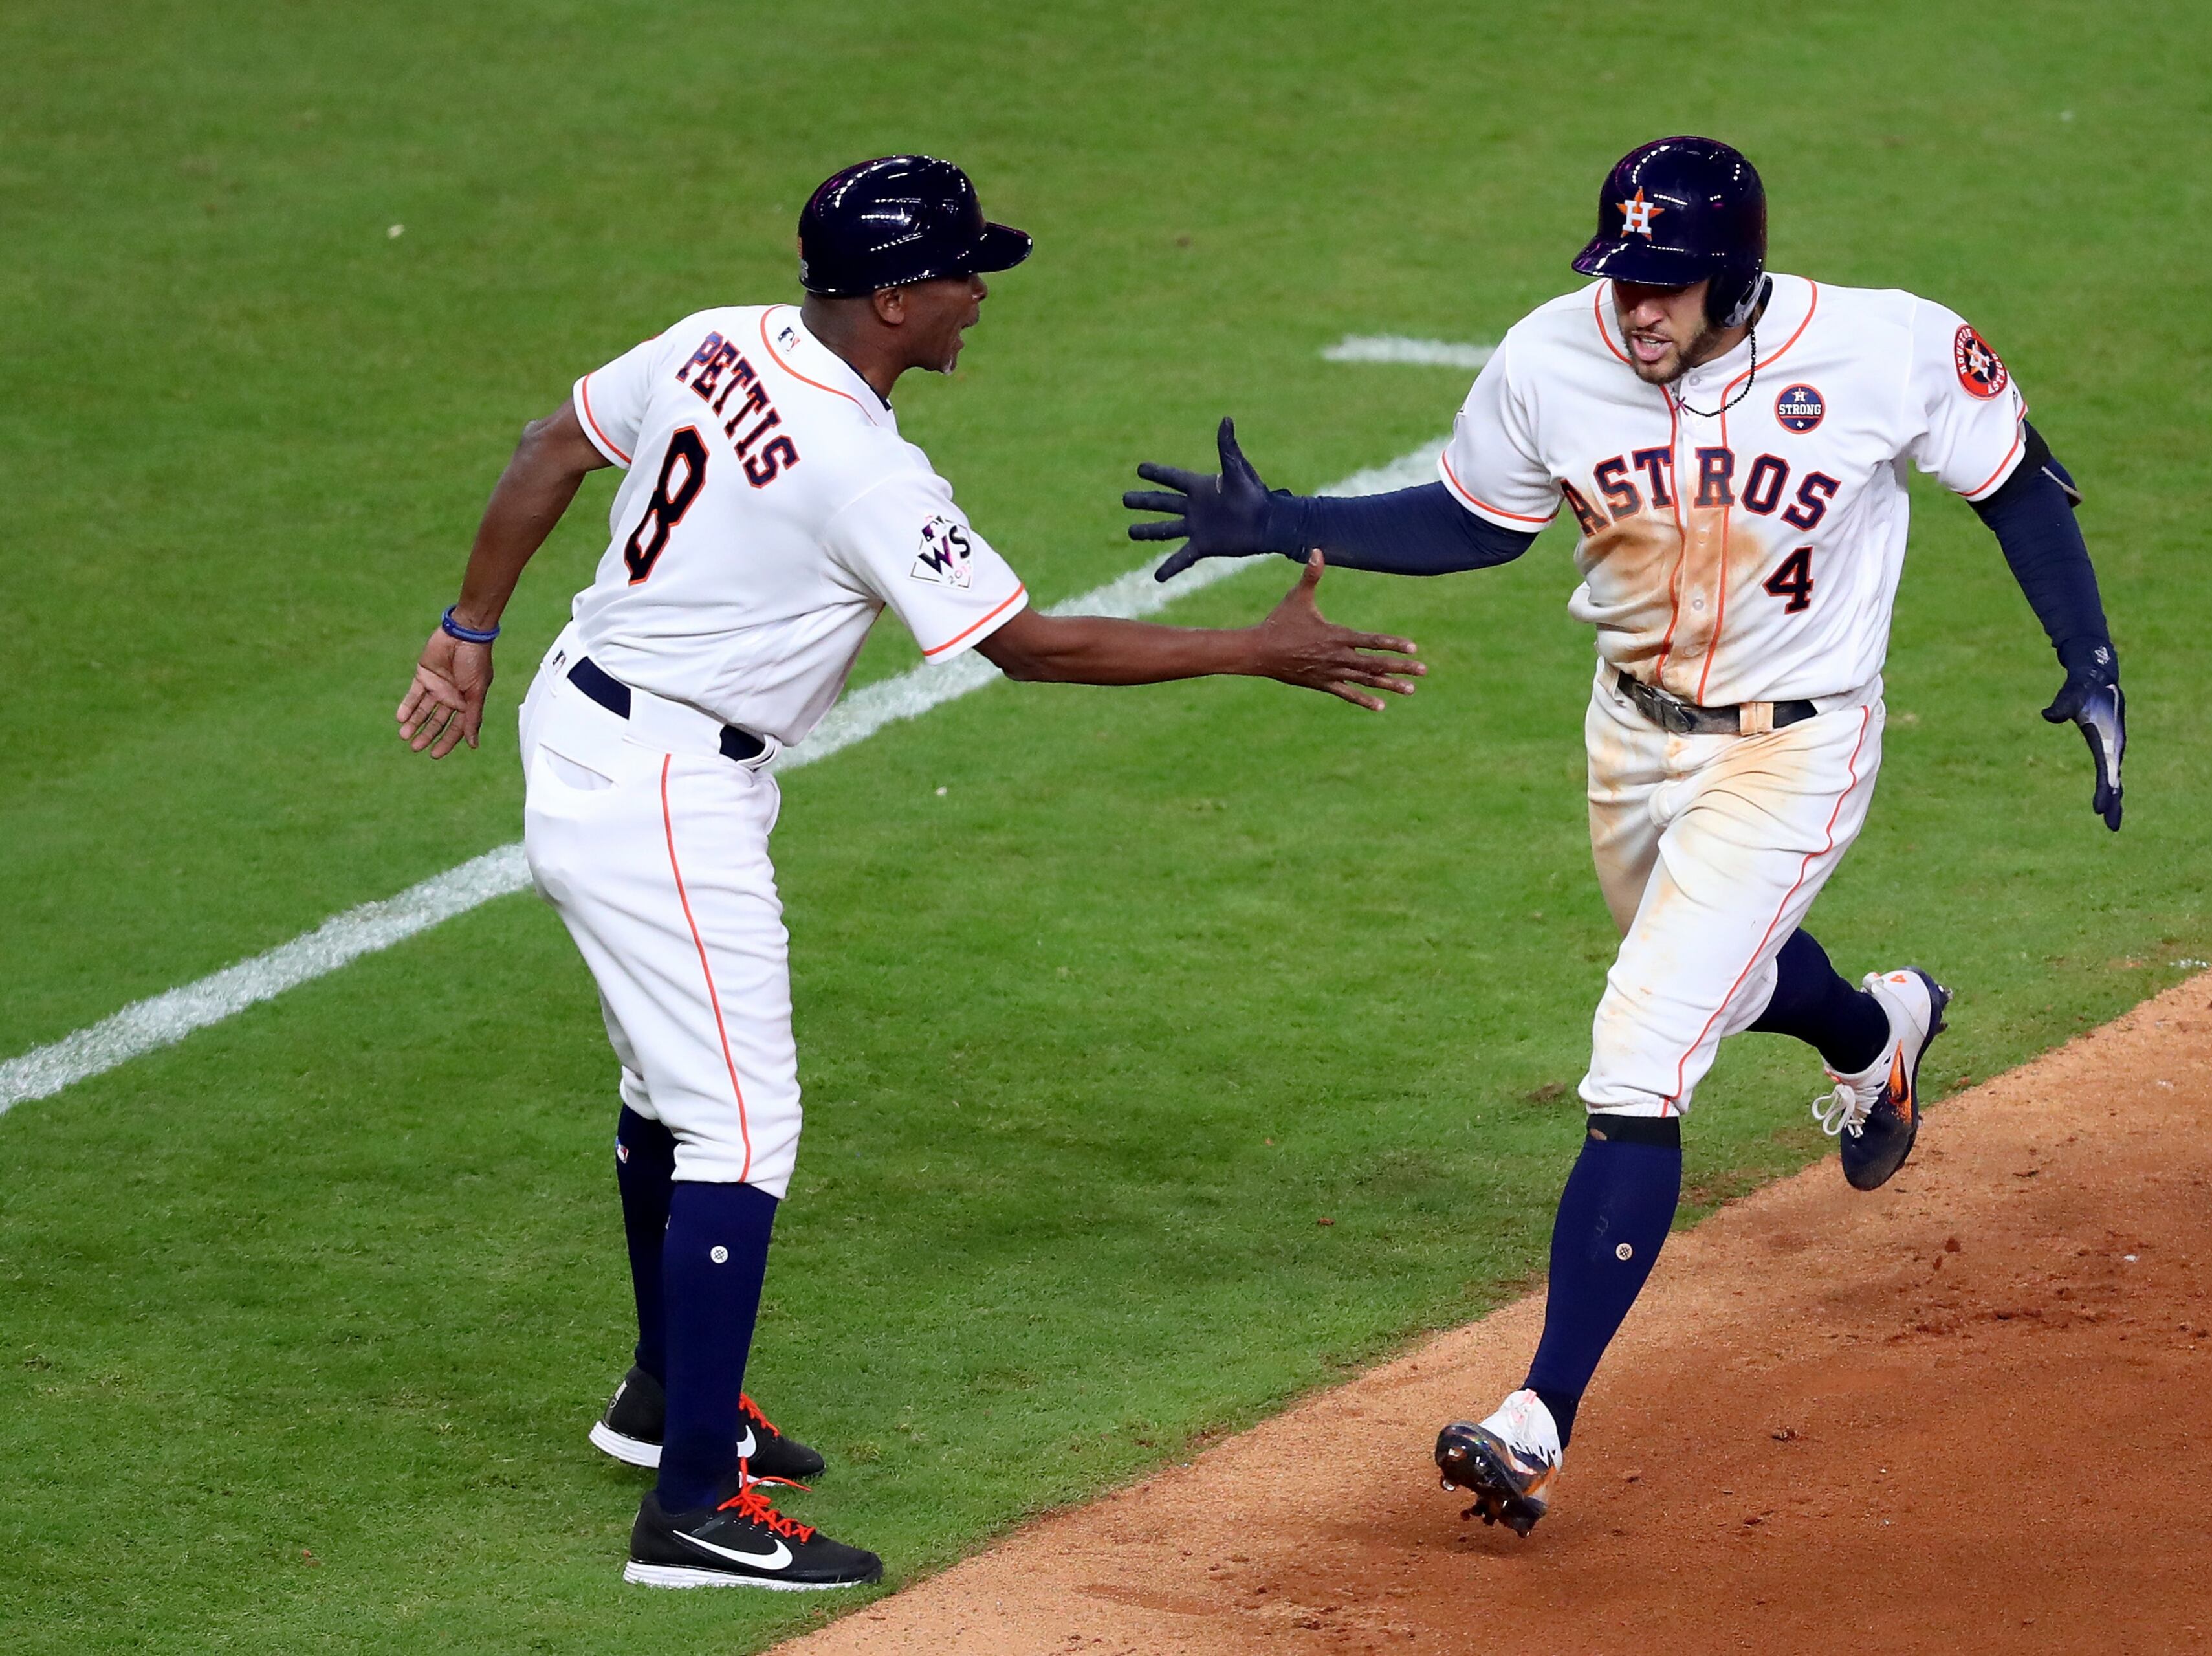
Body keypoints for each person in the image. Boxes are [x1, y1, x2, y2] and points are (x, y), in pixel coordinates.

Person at [394, 155, 1422, 1588]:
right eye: (961, 275)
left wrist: (469, 624)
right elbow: (1026, 643)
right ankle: (693, 1510)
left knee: (664, 1091)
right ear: (892, 295)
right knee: (743, 1133)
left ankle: (662, 1400)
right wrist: (1257, 649)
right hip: (665, 796)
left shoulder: (719, 336)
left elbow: (546, 444)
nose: (979, 298)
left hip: (589, 721)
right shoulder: (864, 468)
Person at [1123, 135, 2121, 1536]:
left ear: (1735, 275)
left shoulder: (1887, 347)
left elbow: (2016, 479)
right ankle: (1876, 1031)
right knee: (1714, 969)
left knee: (1644, 1050)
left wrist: (2092, 659)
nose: (1636, 308)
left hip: (1800, 744)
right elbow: (1480, 524)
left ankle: (1538, 1417)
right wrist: (1286, 519)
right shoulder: (1551, 358)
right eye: (1622, 277)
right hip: (1631, 735)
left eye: (1665, 285)